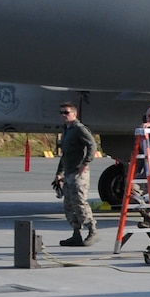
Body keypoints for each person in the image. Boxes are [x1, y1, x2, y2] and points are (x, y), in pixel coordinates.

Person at [53, 103, 97, 246]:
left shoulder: (79, 129)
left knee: (80, 203)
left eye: (66, 112)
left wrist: (85, 163)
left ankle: (92, 231)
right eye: (61, 113)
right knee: (69, 205)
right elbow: (65, 154)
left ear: (74, 114)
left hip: (79, 173)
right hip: (69, 173)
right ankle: (76, 234)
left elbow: (92, 145)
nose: (63, 115)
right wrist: (59, 173)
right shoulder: (66, 130)